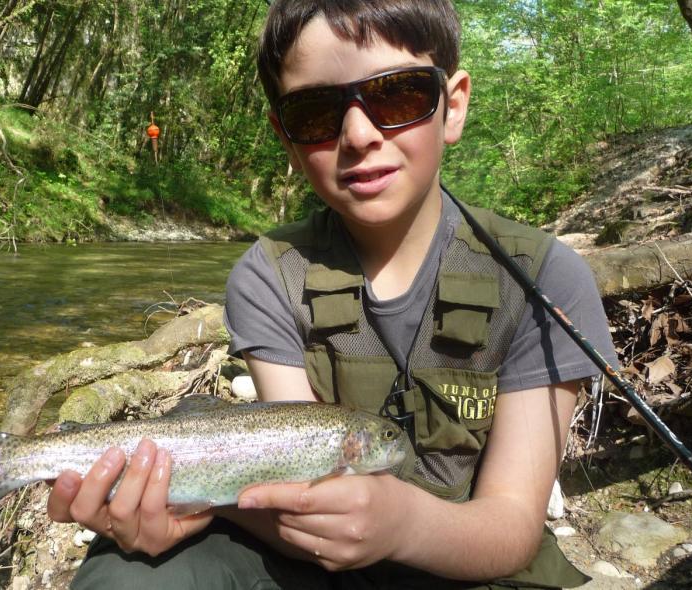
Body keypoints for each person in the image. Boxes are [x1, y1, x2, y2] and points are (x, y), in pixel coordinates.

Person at [47, 0, 618, 588]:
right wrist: (193, 505)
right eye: (317, 111)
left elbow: (512, 529)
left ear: (453, 105)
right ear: (287, 139)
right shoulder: (269, 274)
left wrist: (403, 527)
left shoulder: (544, 279)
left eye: (396, 96)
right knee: (128, 574)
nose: (358, 134)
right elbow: (287, 485)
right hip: (307, 554)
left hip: (472, 562)